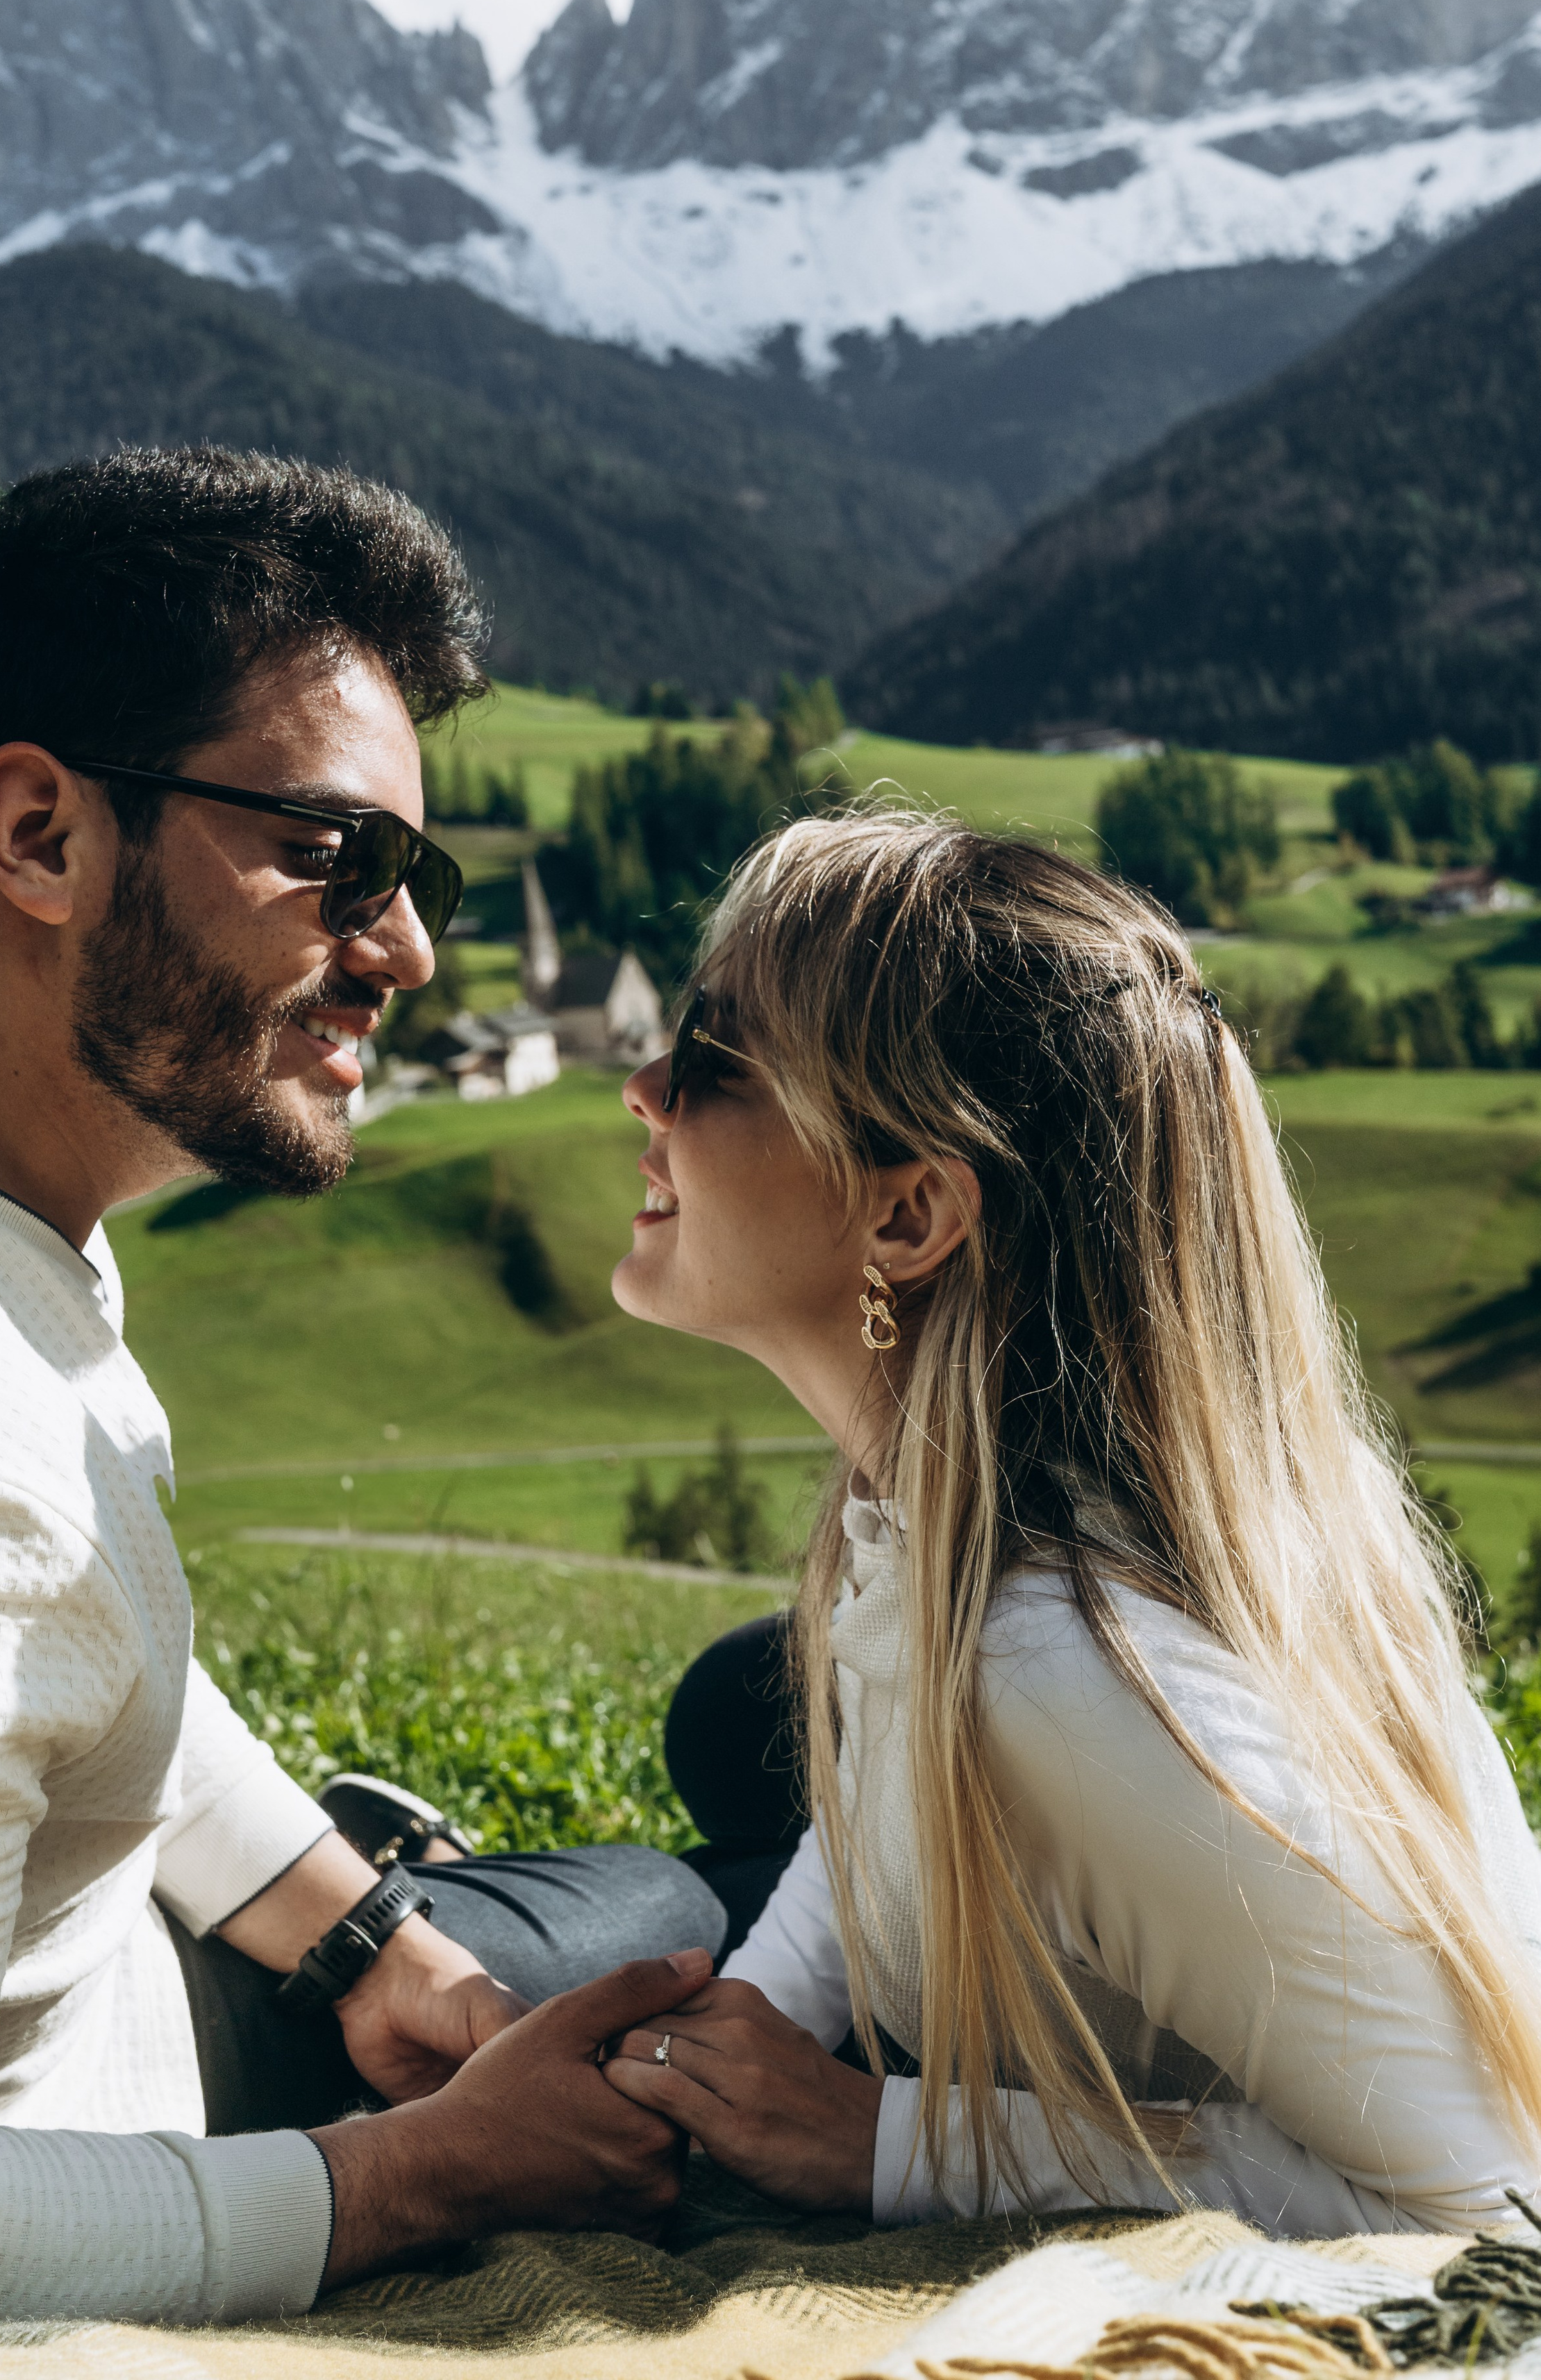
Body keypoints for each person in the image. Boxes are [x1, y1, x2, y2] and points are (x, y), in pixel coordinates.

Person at [0, 449, 726, 2354]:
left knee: (633, 1915)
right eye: (333, 856)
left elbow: (71, 1640)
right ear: (37, 834)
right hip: (83, 2179)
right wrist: (432, 2174)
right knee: (675, 1943)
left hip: (118, 1960)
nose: (410, 950)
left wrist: (361, 1934)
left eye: (416, 875)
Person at [601, 812, 1541, 2238]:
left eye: (715, 1060)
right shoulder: (940, 1512)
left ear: (908, 1216)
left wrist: (889, 2143)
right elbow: (871, 1808)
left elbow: (1494, 2207)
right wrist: (745, 2025)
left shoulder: (1065, 1688)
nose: (642, 1090)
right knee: (733, 1716)